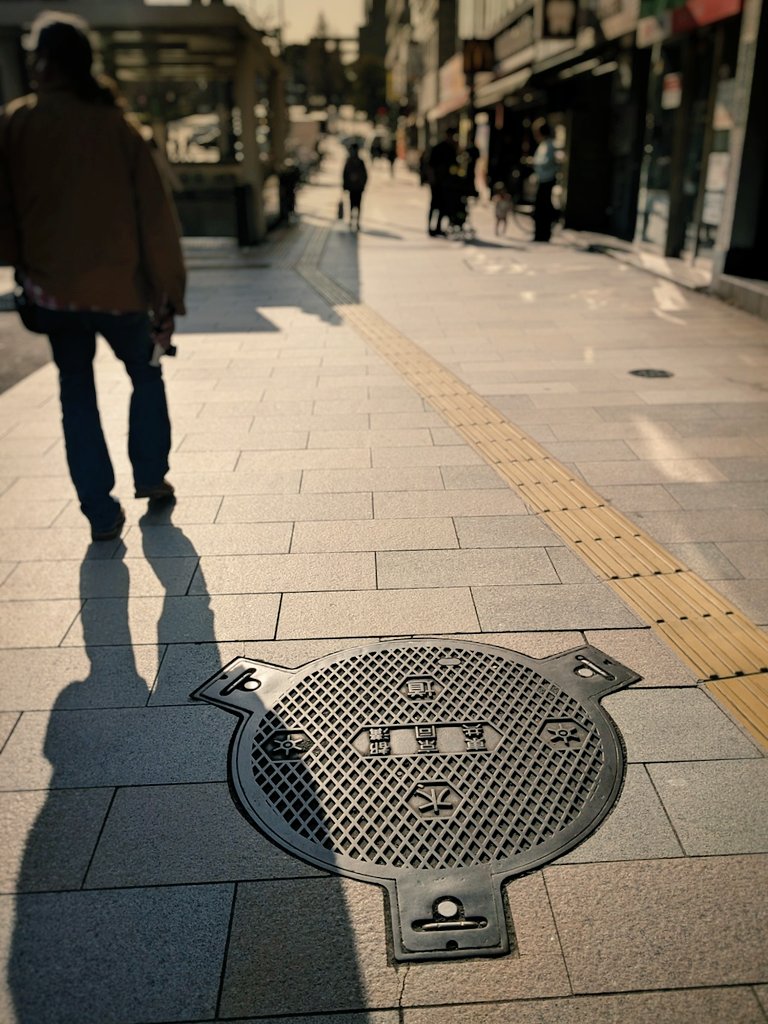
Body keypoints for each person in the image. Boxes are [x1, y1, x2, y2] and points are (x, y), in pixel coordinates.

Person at [0, 12, 186, 541]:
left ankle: (99, 512)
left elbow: (4, 210)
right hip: (121, 290)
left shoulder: (15, 124)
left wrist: (23, 263)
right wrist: (167, 294)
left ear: (43, 63)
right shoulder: (117, 128)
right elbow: (156, 218)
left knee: (75, 392)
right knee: (145, 375)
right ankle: (150, 475)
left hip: (53, 294)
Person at [426, 128, 458, 236]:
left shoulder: (452, 149)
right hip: (437, 182)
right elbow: (430, 166)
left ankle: (438, 227)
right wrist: (432, 180)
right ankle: (430, 228)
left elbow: (454, 167)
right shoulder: (439, 148)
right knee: (434, 205)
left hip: (446, 182)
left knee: (442, 206)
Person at [531, 118, 557, 242]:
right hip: (544, 179)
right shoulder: (545, 145)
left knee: (543, 208)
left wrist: (533, 162)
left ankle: (543, 234)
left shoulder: (548, 145)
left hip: (547, 179)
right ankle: (540, 233)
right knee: (541, 207)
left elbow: (545, 162)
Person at [342, 142, 368, 231]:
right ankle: (353, 221)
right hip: (354, 188)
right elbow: (344, 175)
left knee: (355, 205)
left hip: (356, 188)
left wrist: (362, 184)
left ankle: (355, 222)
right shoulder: (351, 161)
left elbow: (365, 175)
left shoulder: (358, 162)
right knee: (353, 205)